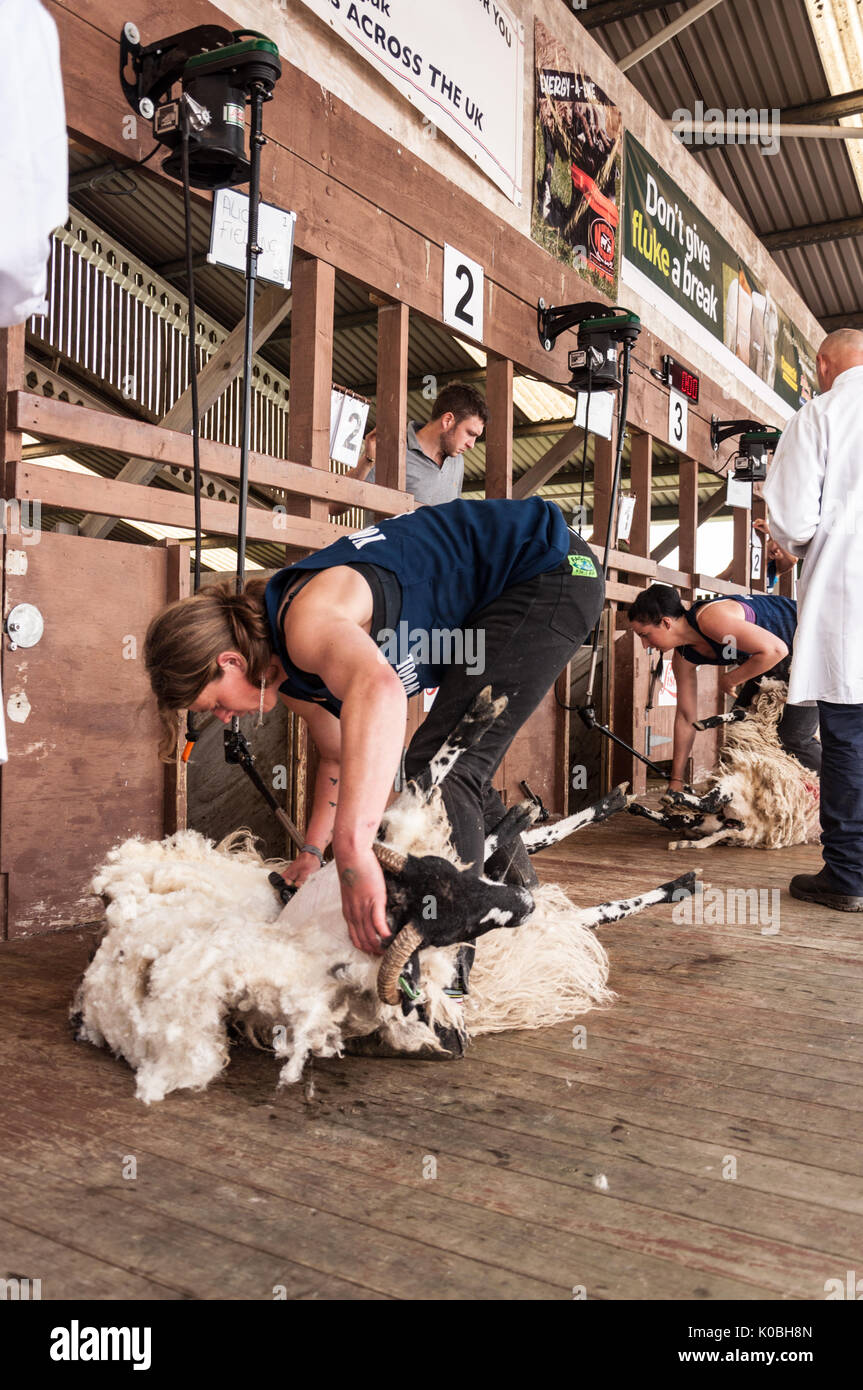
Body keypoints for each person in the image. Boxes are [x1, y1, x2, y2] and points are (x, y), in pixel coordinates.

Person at [145, 497, 604, 957]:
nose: (224, 717)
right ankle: (530, 919)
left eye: (215, 704)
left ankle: (451, 972)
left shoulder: (305, 622)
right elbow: (339, 756)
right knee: (457, 766)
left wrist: (352, 848)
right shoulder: (292, 679)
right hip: (507, 595)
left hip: (547, 568)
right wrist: (312, 851)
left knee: (441, 770)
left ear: (230, 662)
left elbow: (381, 689)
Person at [763, 327, 863, 912]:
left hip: (848, 600)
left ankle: (848, 874)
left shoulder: (821, 414)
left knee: (848, 736)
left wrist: (794, 542)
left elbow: (794, 521)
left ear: (824, 365)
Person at [628, 583, 821, 792]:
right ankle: (757, 805)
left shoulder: (711, 619)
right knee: (742, 734)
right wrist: (676, 780)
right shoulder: (683, 657)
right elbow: (685, 717)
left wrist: (730, 679)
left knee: (794, 738)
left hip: (815, 644)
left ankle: (848, 794)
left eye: (644, 635)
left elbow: (775, 650)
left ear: (666, 623)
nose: (645, 645)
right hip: (779, 662)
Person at [329, 381, 486, 517]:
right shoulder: (390, 449)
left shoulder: (457, 462)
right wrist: (368, 461)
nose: (472, 445)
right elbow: (334, 507)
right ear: (448, 420)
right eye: (470, 433)